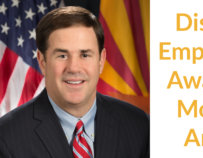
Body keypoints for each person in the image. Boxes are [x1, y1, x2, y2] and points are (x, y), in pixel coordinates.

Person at [0, 6, 149, 158]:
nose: (73, 68)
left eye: (84, 55)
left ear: (101, 60)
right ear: (42, 61)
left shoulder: (139, 126)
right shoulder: (6, 137)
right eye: (62, 55)